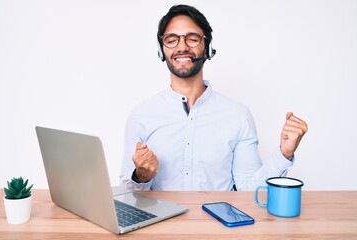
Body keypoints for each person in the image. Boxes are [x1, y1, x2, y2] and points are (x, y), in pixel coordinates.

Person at [120, 4, 308, 191]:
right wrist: (141, 177)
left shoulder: (238, 115)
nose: (182, 47)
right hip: (164, 221)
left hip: (217, 221)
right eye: (171, 39)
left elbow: (250, 192)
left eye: (192, 39)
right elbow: (128, 197)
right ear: (162, 50)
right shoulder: (141, 116)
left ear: (207, 48)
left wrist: (284, 154)